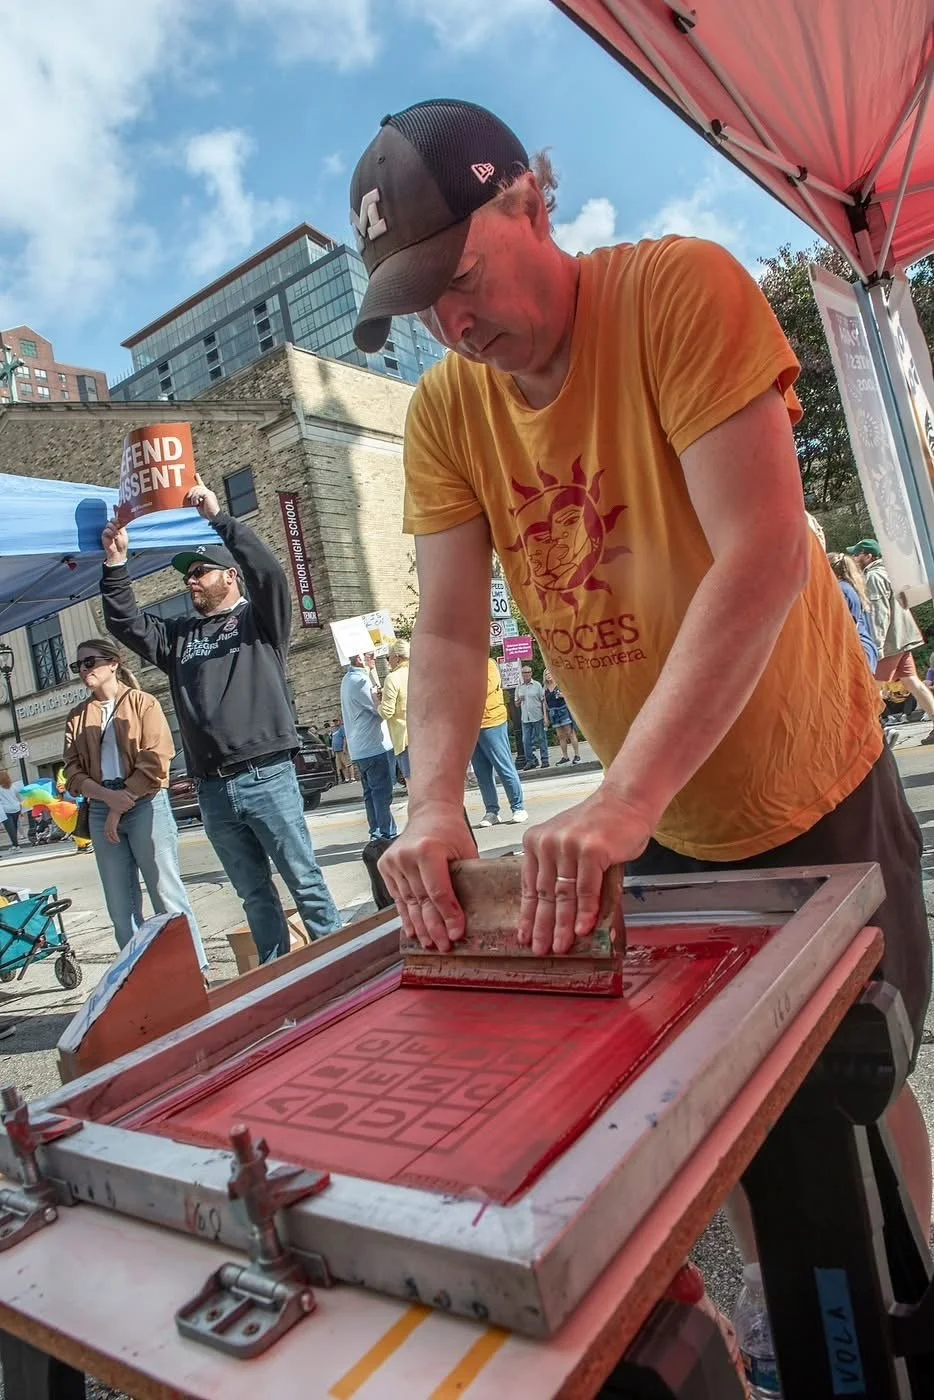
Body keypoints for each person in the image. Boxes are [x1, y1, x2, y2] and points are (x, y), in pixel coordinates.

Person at [351, 99, 932, 1237]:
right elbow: (451, 632)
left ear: (532, 199)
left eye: (462, 276)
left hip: (801, 779)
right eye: (423, 306)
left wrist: (621, 797)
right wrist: (429, 806)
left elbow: (761, 553)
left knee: (861, 1088)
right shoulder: (445, 413)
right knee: (723, 1113)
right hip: (656, 812)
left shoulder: (677, 291)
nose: (455, 323)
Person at [100, 484, 341, 965]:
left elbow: (270, 573)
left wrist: (220, 520)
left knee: (304, 880)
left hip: (266, 775)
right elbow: (126, 622)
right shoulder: (179, 638)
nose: (191, 581)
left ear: (230, 576)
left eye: (200, 572)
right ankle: (278, 978)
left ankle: (343, 964)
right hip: (212, 788)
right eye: (188, 576)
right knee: (254, 895)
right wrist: (115, 565)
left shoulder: (259, 622)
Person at [62, 638, 207, 972]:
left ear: (113, 663)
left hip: (145, 802)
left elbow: (157, 759)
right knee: (121, 907)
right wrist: (106, 798)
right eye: (78, 665)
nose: (84, 670)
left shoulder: (143, 703)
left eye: (90, 662)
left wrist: (118, 804)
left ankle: (194, 972)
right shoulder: (77, 716)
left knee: (165, 893)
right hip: (100, 804)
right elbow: (70, 770)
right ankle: (142, 980)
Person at [848, 538, 934, 742]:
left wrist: (875, 647)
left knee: (871, 687)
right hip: (902, 638)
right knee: (913, 683)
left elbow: (880, 614)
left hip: (889, 643)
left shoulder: (873, 577)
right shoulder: (888, 573)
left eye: (857, 554)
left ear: (868, 556)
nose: (854, 557)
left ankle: (871, 735)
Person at [341, 655, 397, 841]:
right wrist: (384, 697)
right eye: (368, 655)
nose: (373, 658)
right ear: (359, 658)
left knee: (371, 794)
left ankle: (376, 832)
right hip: (375, 745)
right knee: (382, 793)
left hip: (360, 747)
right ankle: (386, 833)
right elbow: (380, 710)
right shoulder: (361, 681)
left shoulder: (348, 679)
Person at [472, 658, 529, 827]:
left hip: (491, 722)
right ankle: (491, 811)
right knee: (482, 773)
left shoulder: (487, 664)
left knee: (503, 767)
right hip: (470, 725)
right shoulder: (459, 666)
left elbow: (484, 689)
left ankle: (518, 807)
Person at [827, 552, 879, 671]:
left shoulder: (840, 590)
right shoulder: (848, 587)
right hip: (863, 650)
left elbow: (841, 627)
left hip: (856, 652)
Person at [379, 640, 411, 783]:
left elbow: (387, 712)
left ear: (397, 657)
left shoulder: (392, 678)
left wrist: (377, 702)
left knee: (413, 784)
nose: (388, 662)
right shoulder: (422, 673)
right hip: (428, 736)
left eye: (388, 658)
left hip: (405, 737)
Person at [515, 664, 549, 769]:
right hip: (525, 717)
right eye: (525, 673)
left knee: (541, 738)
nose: (527, 675)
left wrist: (545, 716)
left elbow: (543, 701)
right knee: (526, 740)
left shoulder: (537, 685)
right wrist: (520, 700)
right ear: (522, 674)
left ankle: (545, 759)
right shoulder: (519, 687)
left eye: (529, 672)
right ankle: (530, 761)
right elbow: (516, 704)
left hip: (537, 716)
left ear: (531, 673)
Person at [543, 668, 580, 764]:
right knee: (560, 736)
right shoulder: (545, 688)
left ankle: (577, 755)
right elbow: (545, 703)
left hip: (563, 709)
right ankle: (565, 756)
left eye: (550, 673)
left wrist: (561, 695)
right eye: (546, 674)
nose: (548, 675)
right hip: (553, 712)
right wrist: (546, 717)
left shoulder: (560, 684)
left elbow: (569, 695)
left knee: (570, 733)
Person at [0, 771, 20, 850]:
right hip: (16, 808)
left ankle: (15, 845)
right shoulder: (13, 786)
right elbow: (18, 796)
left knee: (10, 828)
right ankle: (15, 844)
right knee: (14, 827)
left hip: (6, 810)